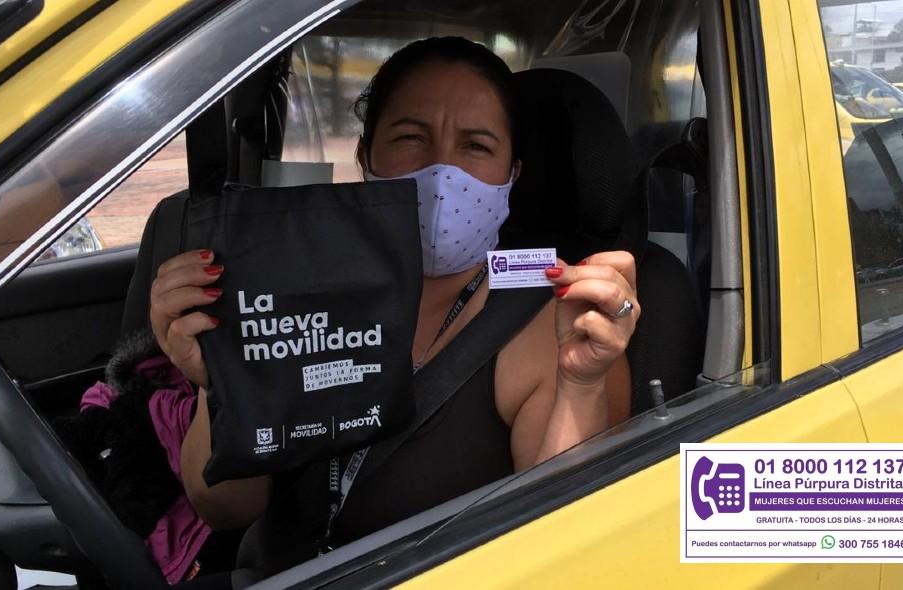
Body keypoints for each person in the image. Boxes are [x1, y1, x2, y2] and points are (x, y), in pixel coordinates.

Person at [151, 36, 639, 555]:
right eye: (411, 137)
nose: (442, 172)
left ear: (512, 174)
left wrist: (582, 383)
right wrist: (218, 382)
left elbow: (561, 546)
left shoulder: (555, 325)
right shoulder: (290, 287)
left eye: (476, 145)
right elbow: (225, 510)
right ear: (366, 155)